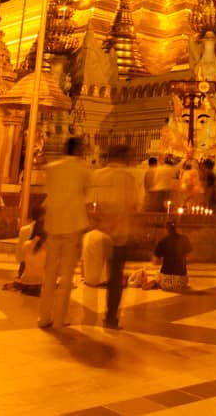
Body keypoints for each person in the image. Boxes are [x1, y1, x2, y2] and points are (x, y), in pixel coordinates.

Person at [37, 137, 93, 330]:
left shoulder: (52, 167)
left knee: (50, 273)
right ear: (78, 150)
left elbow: (49, 193)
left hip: (53, 223)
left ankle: (44, 317)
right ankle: (60, 319)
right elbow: (87, 194)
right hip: (72, 225)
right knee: (67, 275)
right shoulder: (83, 168)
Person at [90, 144, 140, 328]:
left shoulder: (97, 175)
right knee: (115, 277)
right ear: (124, 158)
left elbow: (89, 205)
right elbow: (135, 205)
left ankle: (87, 315)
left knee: (91, 271)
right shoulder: (128, 178)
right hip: (119, 234)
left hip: (96, 233)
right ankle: (110, 317)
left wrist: (99, 221)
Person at [153, 220, 192, 292]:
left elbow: (155, 262)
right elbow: (190, 257)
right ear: (176, 228)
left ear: (166, 229)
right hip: (181, 282)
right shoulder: (184, 239)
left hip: (166, 282)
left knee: (156, 274)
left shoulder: (162, 241)